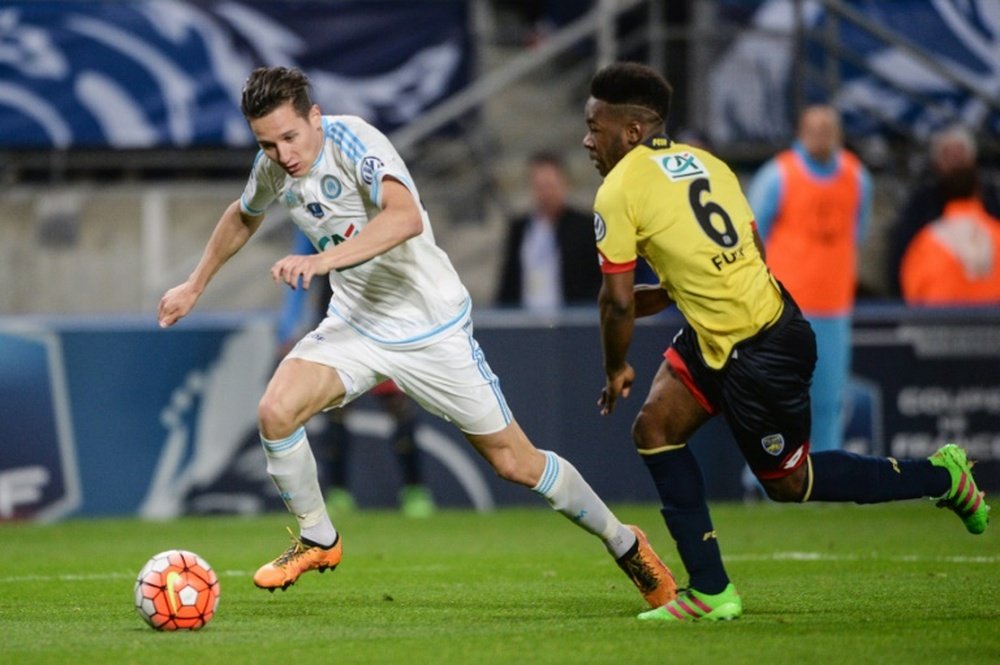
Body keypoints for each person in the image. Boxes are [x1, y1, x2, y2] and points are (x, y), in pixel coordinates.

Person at [157, 66, 676, 608]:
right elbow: (243, 215)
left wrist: (325, 260)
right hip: (357, 322)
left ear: (315, 117)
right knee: (275, 412)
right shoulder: (272, 165)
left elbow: (403, 217)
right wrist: (194, 285)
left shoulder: (355, 140)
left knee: (516, 463)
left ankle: (624, 542)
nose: (283, 153)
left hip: (431, 326)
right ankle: (318, 538)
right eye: (268, 142)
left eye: (290, 136)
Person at [581, 61, 990, 622]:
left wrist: (616, 368)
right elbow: (747, 249)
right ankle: (711, 591)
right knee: (655, 428)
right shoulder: (709, 164)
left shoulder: (617, 190)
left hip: (761, 350)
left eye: (595, 126)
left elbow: (619, 301)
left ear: (631, 132)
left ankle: (944, 477)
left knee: (790, 483)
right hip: (734, 331)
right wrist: (691, 294)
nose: (586, 139)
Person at [278, 228, 435, 518]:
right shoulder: (316, 212)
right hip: (337, 322)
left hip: (383, 321)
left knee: (398, 406)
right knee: (337, 409)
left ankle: (415, 490)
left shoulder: (374, 203)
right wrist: (289, 326)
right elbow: (301, 268)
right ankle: (338, 492)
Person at [746, 104, 872, 458]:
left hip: (834, 308)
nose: (821, 135)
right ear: (800, 132)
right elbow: (753, 237)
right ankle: (764, 476)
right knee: (777, 395)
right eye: (813, 128)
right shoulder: (777, 175)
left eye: (827, 128)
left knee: (830, 398)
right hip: (783, 310)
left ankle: (826, 470)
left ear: (839, 134)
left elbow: (857, 234)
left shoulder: (857, 177)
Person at [885, 124, 1000, 297]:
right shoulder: (922, 202)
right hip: (937, 309)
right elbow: (902, 255)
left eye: (960, 155)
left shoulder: (991, 201)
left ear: (972, 160)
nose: (955, 162)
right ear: (936, 162)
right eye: (948, 155)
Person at [495, 151, 602, 309]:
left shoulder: (584, 227)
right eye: (540, 186)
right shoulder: (520, 228)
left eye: (551, 186)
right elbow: (509, 281)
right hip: (527, 320)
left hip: (571, 320)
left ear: (564, 184)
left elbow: (595, 280)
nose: (546, 193)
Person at [900, 162, 1000, 304]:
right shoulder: (997, 234)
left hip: (941, 322)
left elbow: (913, 292)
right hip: (993, 323)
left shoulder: (927, 241)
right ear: (978, 191)